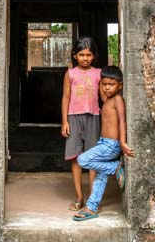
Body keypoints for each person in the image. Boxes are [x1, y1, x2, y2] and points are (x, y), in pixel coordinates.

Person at [72, 65, 135, 221]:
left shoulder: (118, 100)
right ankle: (92, 207)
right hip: (103, 143)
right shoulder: (106, 99)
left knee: (82, 159)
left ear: (120, 85)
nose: (107, 88)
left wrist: (122, 142)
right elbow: (99, 88)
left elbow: (122, 121)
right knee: (101, 175)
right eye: (104, 84)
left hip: (111, 145)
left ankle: (114, 168)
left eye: (111, 85)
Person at [61, 36, 102, 211]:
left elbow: (104, 97)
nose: (85, 58)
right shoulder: (70, 74)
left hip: (93, 116)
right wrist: (64, 121)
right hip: (73, 118)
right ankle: (79, 197)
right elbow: (66, 98)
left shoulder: (99, 73)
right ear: (74, 55)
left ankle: (93, 200)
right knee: (76, 157)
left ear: (94, 56)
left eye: (88, 55)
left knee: (93, 158)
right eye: (81, 54)